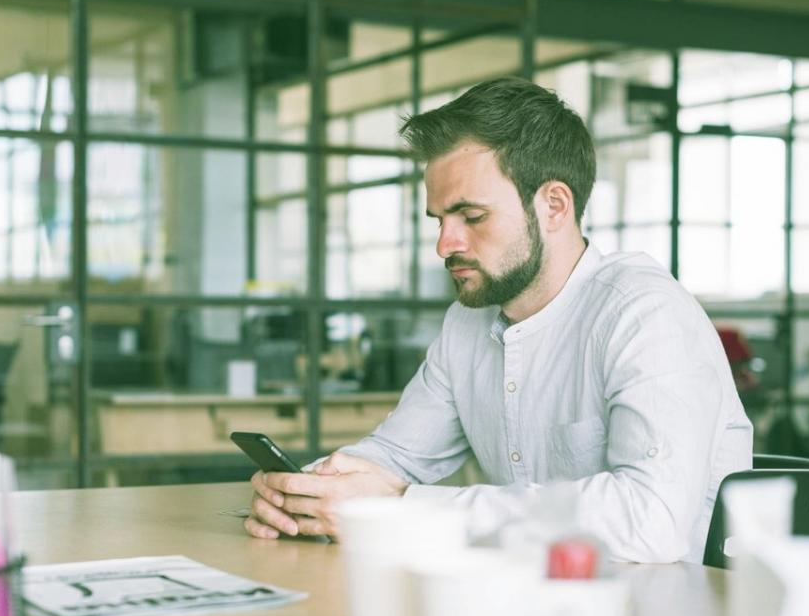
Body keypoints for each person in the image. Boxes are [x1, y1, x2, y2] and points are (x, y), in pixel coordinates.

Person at [245, 77, 752, 563]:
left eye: (472, 216)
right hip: (521, 607)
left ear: (554, 205)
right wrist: (304, 492)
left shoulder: (645, 315)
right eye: (440, 220)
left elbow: (650, 522)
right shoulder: (468, 324)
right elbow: (395, 457)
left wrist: (403, 509)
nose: (446, 244)